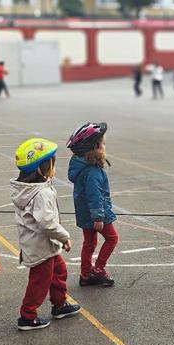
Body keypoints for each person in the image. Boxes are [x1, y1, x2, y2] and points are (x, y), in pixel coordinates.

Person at [10, 138, 81, 331]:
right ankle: (27, 316)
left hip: (43, 245)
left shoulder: (29, 188)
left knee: (59, 271)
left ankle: (59, 305)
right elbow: (47, 223)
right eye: (52, 163)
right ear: (41, 168)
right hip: (41, 247)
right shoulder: (41, 193)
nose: (54, 167)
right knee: (39, 282)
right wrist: (64, 237)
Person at [66, 123, 117, 287]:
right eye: (102, 143)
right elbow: (94, 195)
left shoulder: (81, 165)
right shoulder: (92, 171)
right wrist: (98, 217)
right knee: (112, 238)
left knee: (89, 243)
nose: (104, 146)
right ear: (95, 147)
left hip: (84, 213)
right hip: (95, 214)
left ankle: (85, 274)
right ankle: (99, 269)